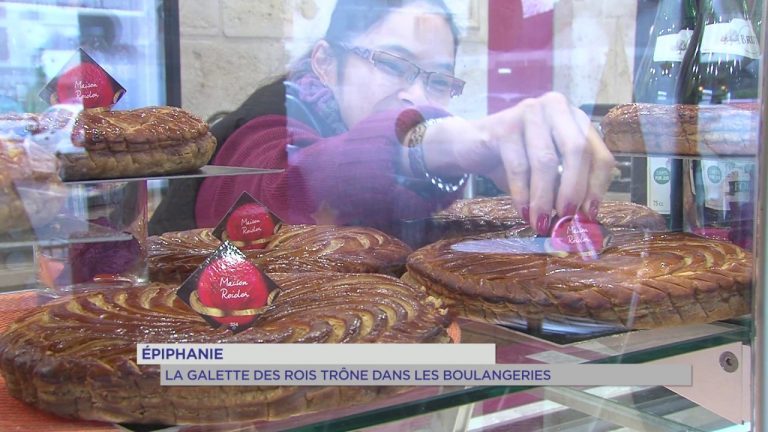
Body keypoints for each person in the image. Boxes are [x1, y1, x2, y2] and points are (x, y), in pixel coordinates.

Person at [149, 0, 615, 240]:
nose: (413, 93)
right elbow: (288, 184)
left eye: (438, 82)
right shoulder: (264, 126)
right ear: (327, 63)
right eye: (393, 65)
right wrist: (439, 142)